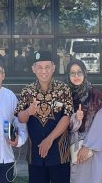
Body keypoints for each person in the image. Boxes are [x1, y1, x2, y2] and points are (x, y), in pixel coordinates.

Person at [15, 50, 73, 183]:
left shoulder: (63, 89)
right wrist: (28, 112)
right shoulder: (27, 91)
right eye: (40, 67)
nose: (44, 71)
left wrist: (49, 139)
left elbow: (67, 116)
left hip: (59, 152)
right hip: (35, 153)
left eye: (47, 67)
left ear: (53, 68)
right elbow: (20, 118)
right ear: (33, 69)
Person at [65, 59, 102, 183]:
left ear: (85, 73)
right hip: (71, 147)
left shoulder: (95, 95)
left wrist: (87, 147)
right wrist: (75, 119)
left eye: (79, 72)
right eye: (72, 73)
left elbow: (100, 124)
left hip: (92, 149)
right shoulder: (64, 95)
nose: (76, 76)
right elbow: (62, 123)